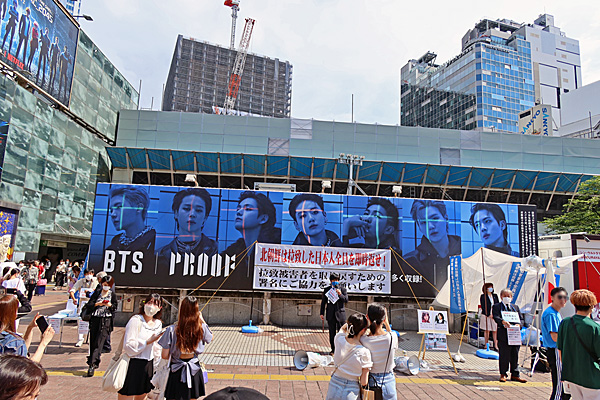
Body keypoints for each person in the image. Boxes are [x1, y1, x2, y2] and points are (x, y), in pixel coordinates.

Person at [159, 296, 213, 400]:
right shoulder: (201, 328)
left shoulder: (171, 330)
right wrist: (202, 320)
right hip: (194, 369)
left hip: (176, 370)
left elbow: (164, 355)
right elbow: (210, 337)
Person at [222, 191, 280, 277]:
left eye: (248, 209)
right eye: (238, 209)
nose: (239, 212)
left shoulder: (275, 249)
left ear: (263, 219)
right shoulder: (235, 250)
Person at [157, 188, 218, 269]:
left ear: (205, 217)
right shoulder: (159, 255)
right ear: (176, 213)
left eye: (198, 210)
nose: (192, 214)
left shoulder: (217, 251)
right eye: (186, 209)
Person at [404, 200, 460, 288]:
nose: (430, 226)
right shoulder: (410, 262)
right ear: (419, 227)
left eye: (434, 219)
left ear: (446, 218)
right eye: (423, 222)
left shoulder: (464, 252)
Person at [118, 294, 164, 400]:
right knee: (126, 395)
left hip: (148, 364)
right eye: (149, 302)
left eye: (155, 304)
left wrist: (157, 365)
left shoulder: (158, 324)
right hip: (133, 363)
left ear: (159, 308)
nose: (151, 306)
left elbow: (157, 348)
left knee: (142, 395)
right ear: (144, 304)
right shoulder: (136, 320)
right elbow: (128, 345)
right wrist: (147, 342)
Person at [557, 289, 600, 399]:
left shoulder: (565, 322)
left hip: (572, 376)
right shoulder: (595, 327)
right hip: (592, 378)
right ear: (592, 306)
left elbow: (560, 349)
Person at [105, 186, 156, 268]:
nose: (113, 214)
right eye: (111, 210)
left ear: (139, 208)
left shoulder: (155, 243)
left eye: (119, 207)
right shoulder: (112, 247)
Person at [325, 313, 372, 400]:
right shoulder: (364, 352)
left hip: (334, 384)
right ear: (363, 330)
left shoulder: (339, 338)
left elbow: (343, 328)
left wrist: (352, 323)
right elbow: (364, 382)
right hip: (351, 390)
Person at [0, 295, 54, 362]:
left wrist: (30, 328)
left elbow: (23, 348)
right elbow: (29, 366)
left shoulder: (14, 341)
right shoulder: (14, 341)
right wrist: (43, 343)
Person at [360, 304, 398, 400]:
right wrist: (387, 323)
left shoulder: (363, 340)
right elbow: (390, 332)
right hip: (388, 380)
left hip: (371, 381)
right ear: (384, 319)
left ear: (367, 317)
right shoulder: (392, 337)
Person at [492, 288, 527, 383]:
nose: (507, 298)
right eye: (505, 296)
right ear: (501, 297)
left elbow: (521, 319)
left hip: (515, 335)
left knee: (515, 355)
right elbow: (496, 317)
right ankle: (503, 374)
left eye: (509, 296)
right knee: (504, 355)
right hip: (504, 335)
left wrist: (519, 325)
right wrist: (503, 322)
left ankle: (515, 374)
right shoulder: (497, 306)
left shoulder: (515, 307)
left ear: (511, 297)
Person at [85, 275, 117, 377]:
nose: (106, 286)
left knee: (99, 342)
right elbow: (90, 304)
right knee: (93, 341)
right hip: (95, 319)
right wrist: (97, 304)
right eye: (104, 284)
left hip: (106, 320)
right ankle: (94, 360)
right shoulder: (97, 292)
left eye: (108, 285)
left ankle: (92, 364)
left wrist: (109, 305)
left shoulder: (112, 294)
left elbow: (115, 307)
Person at [542, 287, 570, 400]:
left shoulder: (556, 313)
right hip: (555, 350)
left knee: (561, 384)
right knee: (559, 384)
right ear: (552, 298)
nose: (563, 300)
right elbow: (555, 337)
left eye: (565, 297)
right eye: (560, 297)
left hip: (556, 350)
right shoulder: (551, 314)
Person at [320, 272, 348, 355]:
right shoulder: (327, 290)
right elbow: (323, 302)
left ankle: (342, 350)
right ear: (331, 281)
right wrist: (322, 313)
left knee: (341, 333)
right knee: (332, 333)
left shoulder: (343, 289)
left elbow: (346, 300)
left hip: (340, 314)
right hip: (330, 314)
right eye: (334, 280)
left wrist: (340, 294)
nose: (335, 281)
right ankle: (333, 350)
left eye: (337, 280)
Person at [480, 282, 499, 351]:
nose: (491, 289)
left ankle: (496, 345)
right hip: (486, 315)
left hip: (494, 314)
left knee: (495, 330)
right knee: (487, 330)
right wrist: (488, 314)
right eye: (489, 287)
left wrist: (495, 314)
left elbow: (497, 305)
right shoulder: (483, 296)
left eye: (491, 287)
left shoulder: (495, 296)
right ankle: (486, 344)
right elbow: (483, 306)